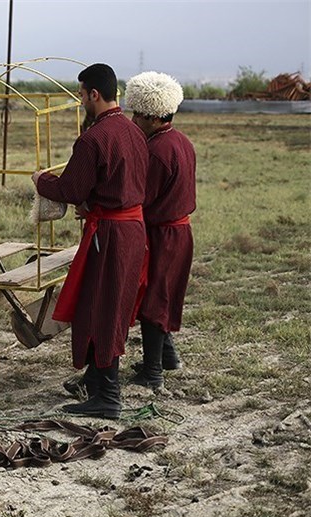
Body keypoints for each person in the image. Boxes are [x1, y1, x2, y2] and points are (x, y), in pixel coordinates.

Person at [32, 63, 149, 419]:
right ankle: (98, 384)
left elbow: (70, 188)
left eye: (82, 94)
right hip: (132, 230)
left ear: (94, 94)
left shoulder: (93, 138)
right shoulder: (134, 132)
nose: (81, 100)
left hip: (110, 236)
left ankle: (108, 397)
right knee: (113, 305)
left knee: (101, 307)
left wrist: (42, 180)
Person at [125, 71, 196, 389]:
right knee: (164, 294)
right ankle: (167, 357)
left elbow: (142, 197)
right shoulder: (181, 141)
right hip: (180, 232)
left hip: (161, 234)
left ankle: (152, 373)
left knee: (153, 299)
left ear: (152, 116)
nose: (133, 120)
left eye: (137, 114)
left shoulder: (156, 151)